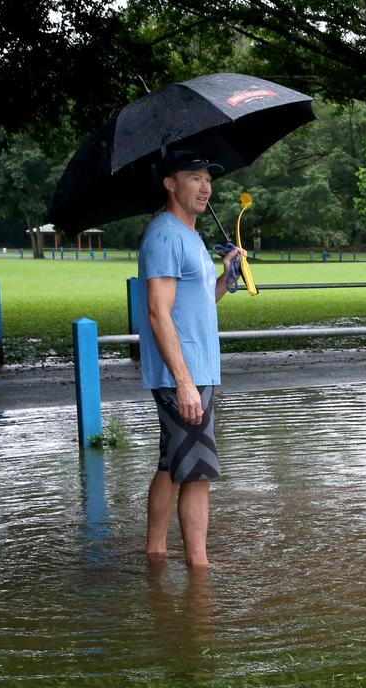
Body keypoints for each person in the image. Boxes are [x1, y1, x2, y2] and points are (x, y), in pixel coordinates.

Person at [136, 149, 244, 568]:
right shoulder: (163, 235)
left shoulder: (191, 237)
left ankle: (156, 553)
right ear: (170, 183)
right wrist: (183, 382)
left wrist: (227, 275)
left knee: (170, 465)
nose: (205, 187)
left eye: (208, 179)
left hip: (196, 370)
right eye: (194, 178)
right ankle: (200, 571)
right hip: (184, 373)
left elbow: (200, 301)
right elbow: (157, 312)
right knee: (197, 476)